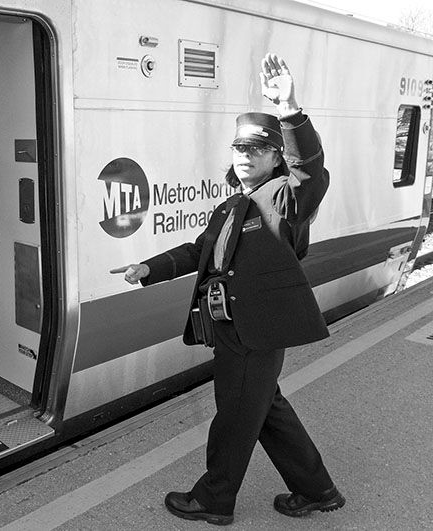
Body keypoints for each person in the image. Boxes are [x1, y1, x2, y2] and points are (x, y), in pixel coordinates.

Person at [111, 54, 345, 525]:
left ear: (277, 156)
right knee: (266, 411)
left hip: (254, 330)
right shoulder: (231, 205)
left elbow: (311, 173)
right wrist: (148, 268)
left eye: (258, 149)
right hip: (232, 325)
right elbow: (200, 251)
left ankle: (214, 499)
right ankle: (317, 490)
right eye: (239, 147)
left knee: (235, 418)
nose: (245, 155)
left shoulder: (283, 198)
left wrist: (290, 109)